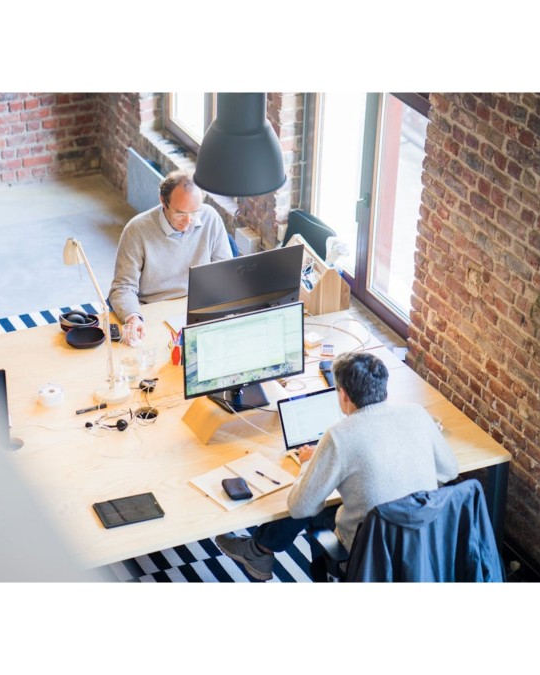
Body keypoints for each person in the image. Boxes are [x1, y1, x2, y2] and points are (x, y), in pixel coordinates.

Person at [215, 351, 459, 581]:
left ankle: (258, 550)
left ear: (343, 395)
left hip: (367, 554)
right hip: (424, 544)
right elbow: (450, 471)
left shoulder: (339, 435)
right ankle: (258, 549)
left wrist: (308, 465)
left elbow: (300, 508)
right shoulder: (417, 414)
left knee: (313, 503)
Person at [108, 169, 232, 344]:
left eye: (194, 212)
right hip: (152, 311)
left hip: (196, 308)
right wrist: (133, 317)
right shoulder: (136, 230)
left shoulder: (210, 217)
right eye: (180, 213)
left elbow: (225, 273)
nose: (188, 222)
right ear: (163, 202)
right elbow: (122, 287)